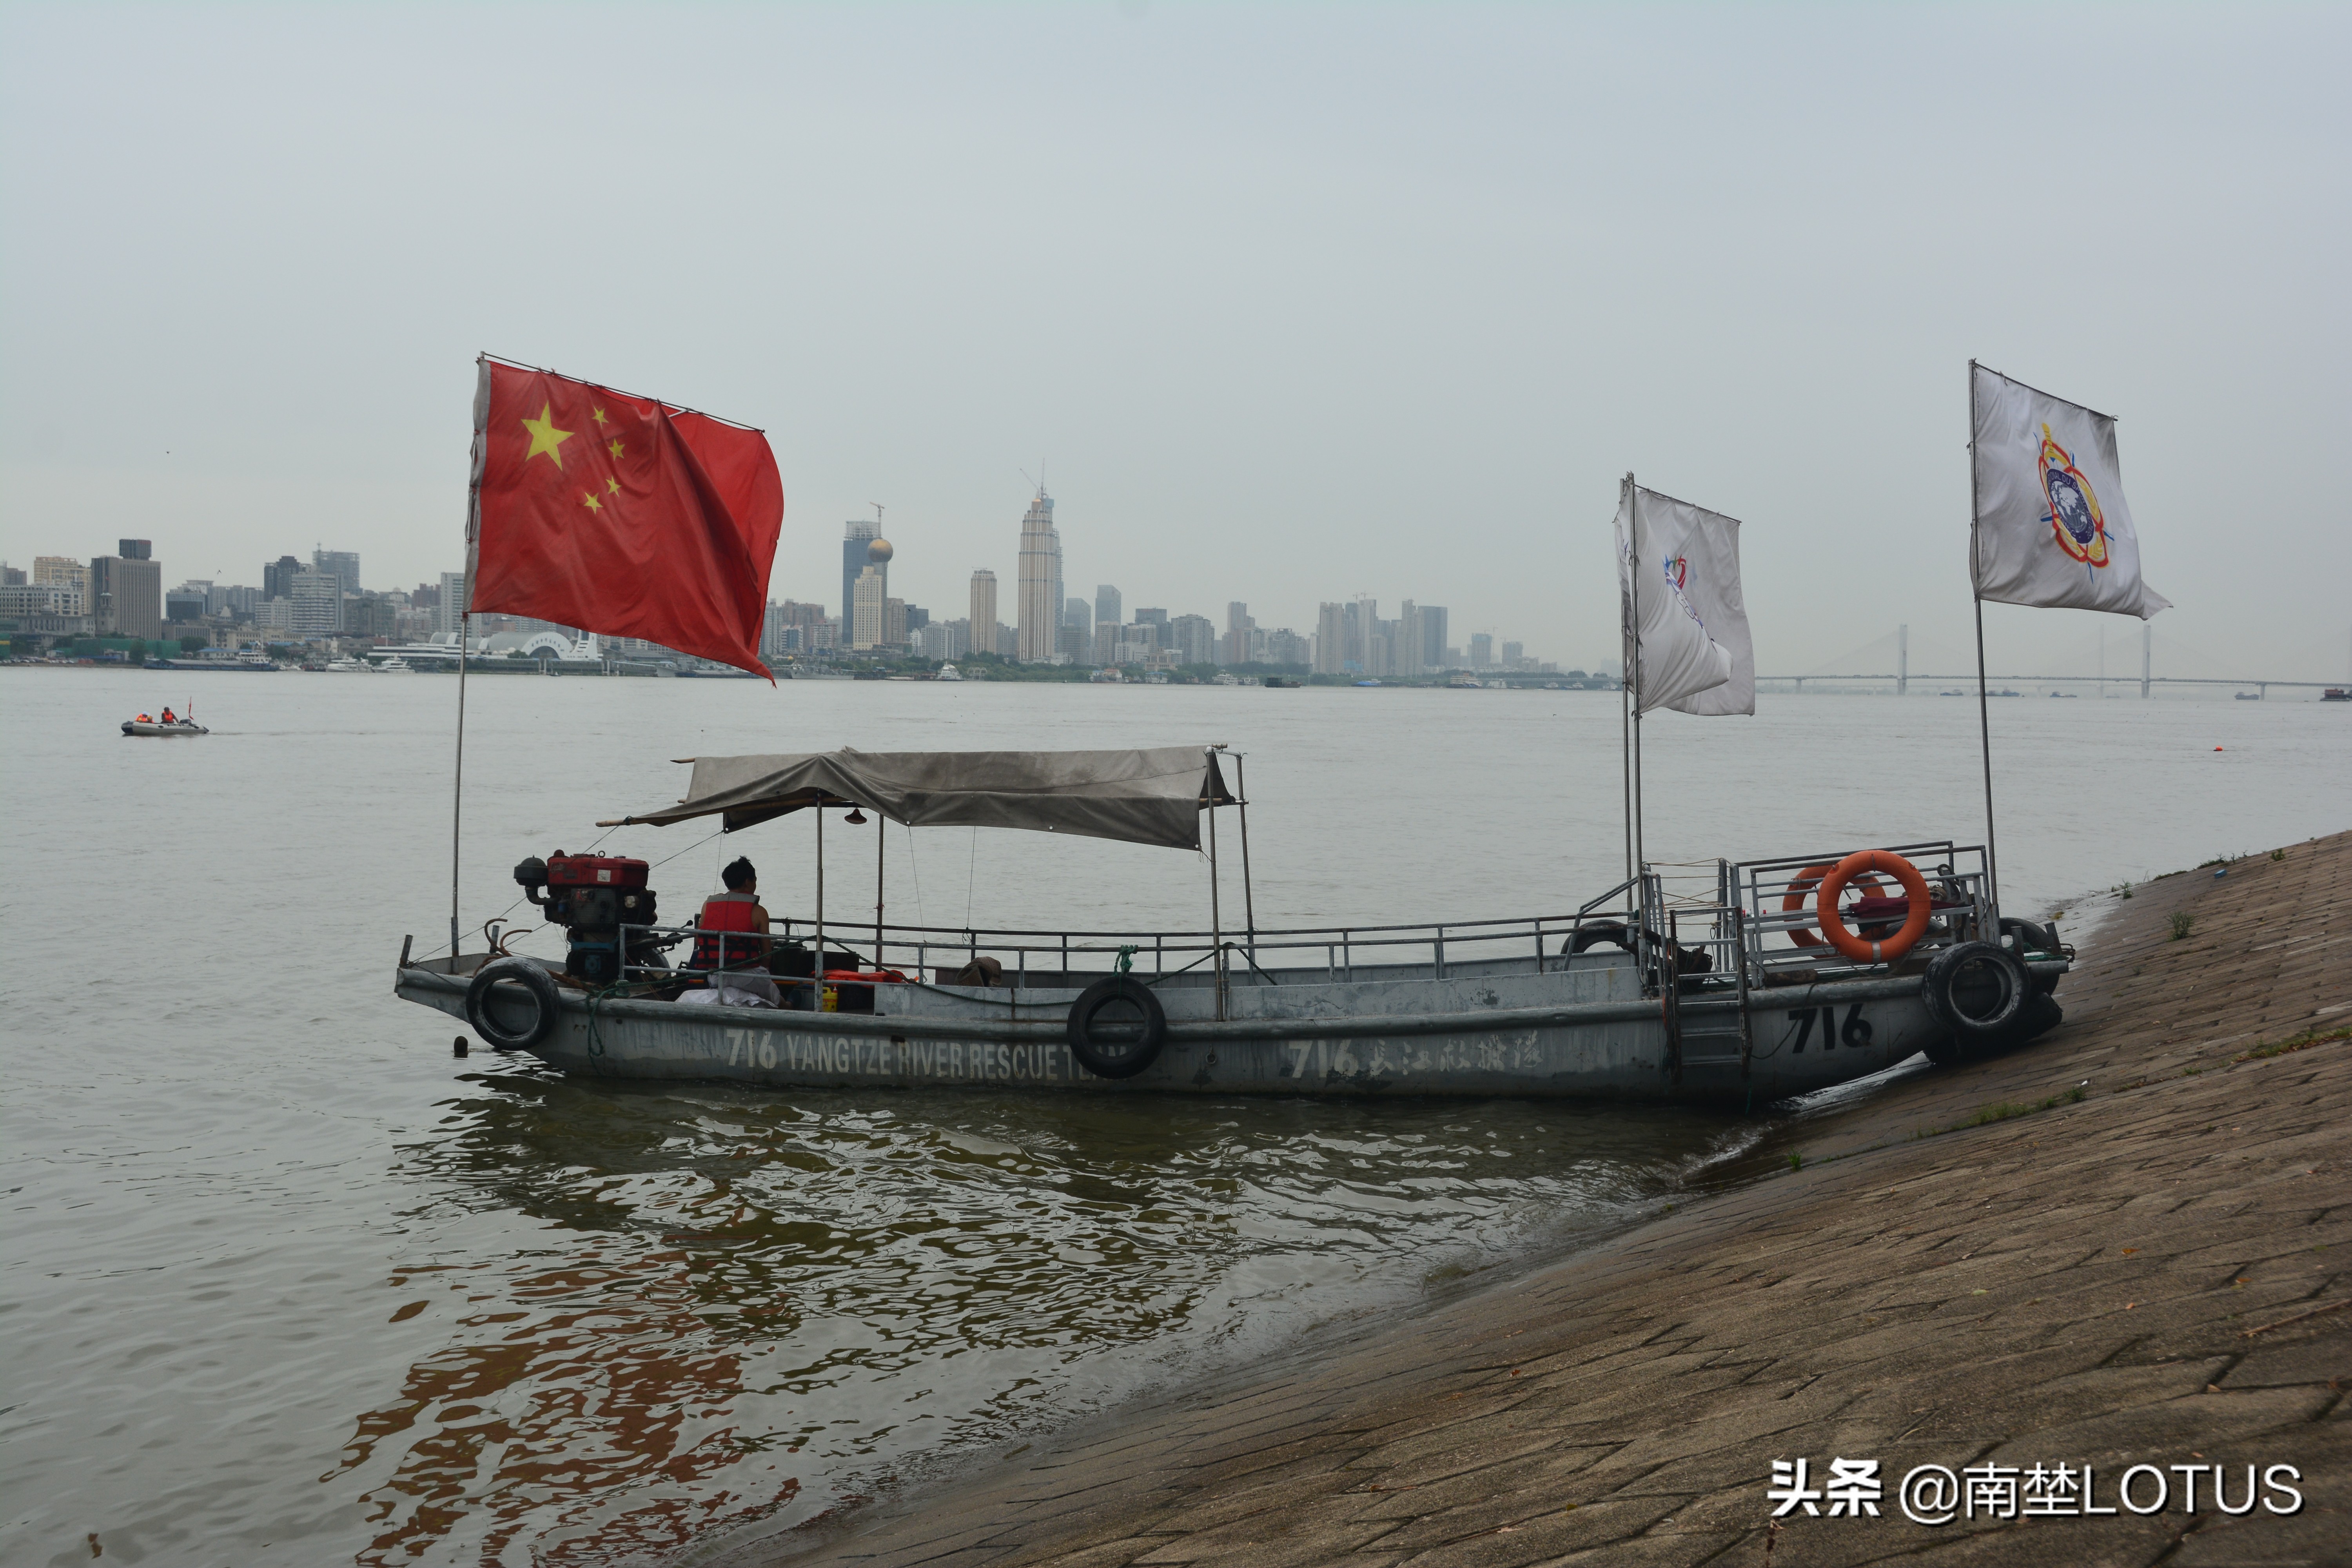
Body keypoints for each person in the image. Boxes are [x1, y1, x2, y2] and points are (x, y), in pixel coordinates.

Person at [693, 857, 780, 1004]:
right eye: (755, 881)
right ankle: (787, 1005)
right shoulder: (759, 912)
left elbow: (699, 940)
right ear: (748, 882)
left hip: (715, 976)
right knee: (772, 991)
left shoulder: (708, 905)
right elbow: (767, 956)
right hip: (748, 976)